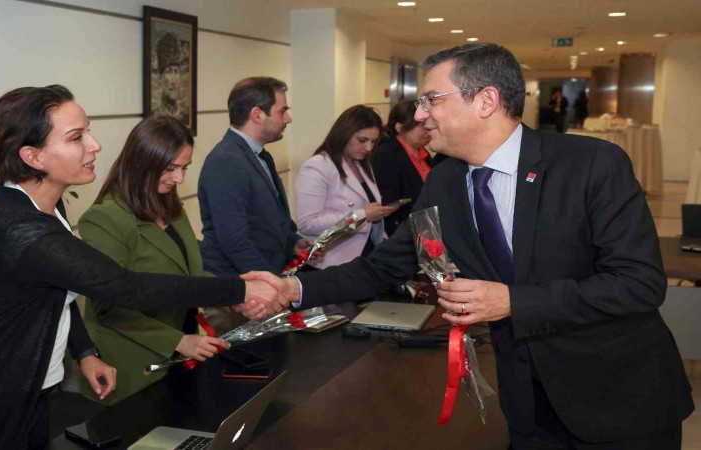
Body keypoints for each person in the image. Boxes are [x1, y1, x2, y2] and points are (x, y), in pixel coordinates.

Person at [249, 43, 694, 448]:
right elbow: (384, 267)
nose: (420, 114)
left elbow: (638, 284)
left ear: (486, 101)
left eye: (431, 99)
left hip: (618, 399)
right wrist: (292, 289)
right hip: (527, 409)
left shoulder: (591, 165)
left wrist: (511, 301)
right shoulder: (444, 182)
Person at [0, 85, 285, 450]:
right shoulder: (21, 228)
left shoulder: (43, 207)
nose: (95, 145)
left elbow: (57, 293)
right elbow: (124, 286)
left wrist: (85, 353)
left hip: (28, 384)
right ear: (33, 156)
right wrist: (240, 288)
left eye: (88, 132)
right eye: (76, 137)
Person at [77, 116, 227, 405]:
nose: (179, 178)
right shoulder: (104, 218)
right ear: (142, 162)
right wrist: (179, 341)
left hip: (182, 354)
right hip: (134, 368)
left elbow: (189, 277)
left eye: (184, 168)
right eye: (170, 168)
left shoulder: (170, 205)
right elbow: (108, 306)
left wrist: (235, 292)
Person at [198, 77, 312, 276]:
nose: (288, 119)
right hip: (240, 283)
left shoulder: (258, 155)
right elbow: (235, 241)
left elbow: (263, 222)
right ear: (257, 115)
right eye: (282, 111)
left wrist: (292, 243)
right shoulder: (226, 162)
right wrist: (274, 284)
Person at [295, 105, 397, 269]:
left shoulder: (363, 164)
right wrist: (363, 215)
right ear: (344, 134)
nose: (369, 148)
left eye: (373, 142)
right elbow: (308, 224)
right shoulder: (318, 165)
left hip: (364, 258)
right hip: (330, 264)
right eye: (362, 140)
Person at [371, 100, 434, 236]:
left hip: (425, 227)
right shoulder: (386, 155)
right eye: (421, 125)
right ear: (399, 127)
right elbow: (389, 203)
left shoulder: (424, 153)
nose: (427, 129)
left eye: (428, 124)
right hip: (402, 231)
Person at [154, 32, 189, 124]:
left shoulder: (185, 116)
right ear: (161, 77)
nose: (173, 80)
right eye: (168, 71)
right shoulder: (155, 117)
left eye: (176, 71)